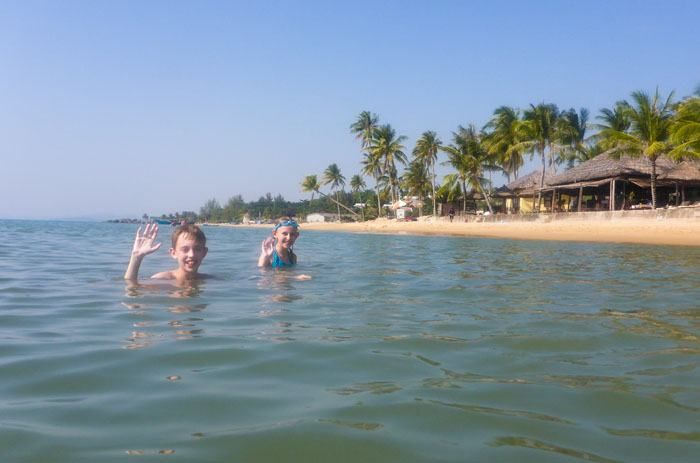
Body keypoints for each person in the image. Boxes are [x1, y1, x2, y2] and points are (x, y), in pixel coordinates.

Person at [124, 223, 210, 283]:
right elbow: (132, 290)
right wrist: (136, 257)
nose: (191, 255)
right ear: (173, 253)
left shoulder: (209, 280)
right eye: (185, 249)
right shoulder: (163, 280)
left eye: (197, 249)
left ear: (204, 253)